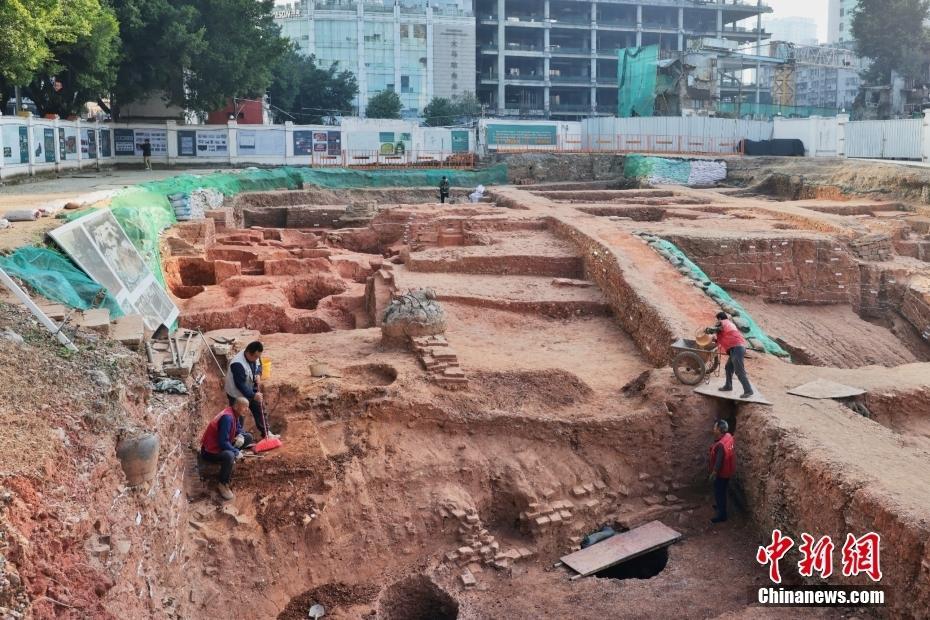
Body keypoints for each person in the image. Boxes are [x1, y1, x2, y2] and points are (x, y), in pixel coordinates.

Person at [201, 398, 255, 500]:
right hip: (210, 451)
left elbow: (238, 428)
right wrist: (235, 451)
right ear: (235, 406)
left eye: (247, 407)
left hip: (221, 445)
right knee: (229, 456)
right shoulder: (227, 418)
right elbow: (222, 442)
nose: (247, 409)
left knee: (248, 437)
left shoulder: (235, 414)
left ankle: (233, 452)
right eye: (244, 407)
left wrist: (240, 435)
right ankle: (222, 483)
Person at [225, 341, 278, 439]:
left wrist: (258, 373)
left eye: (258, 356)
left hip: (249, 386)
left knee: (259, 408)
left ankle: (266, 434)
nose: (257, 359)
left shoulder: (255, 355)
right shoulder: (238, 364)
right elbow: (240, 385)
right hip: (237, 394)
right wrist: (253, 395)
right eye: (255, 357)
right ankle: (237, 439)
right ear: (248, 352)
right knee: (239, 416)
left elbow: (259, 365)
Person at [705, 311, 753, 399]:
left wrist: (708, 330)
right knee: (728, 367)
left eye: (717, 320)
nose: (716, 322)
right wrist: (714, 339)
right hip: (736, 348)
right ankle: (728, 386)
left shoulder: (722, 323)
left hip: (737, 348)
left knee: (739, 371)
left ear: (719, 318)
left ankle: (748, 390)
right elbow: (724, 336)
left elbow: (716, 329)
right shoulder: (729, 324)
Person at [708, 419, 735, 523]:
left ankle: (722, 515)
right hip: (728, 470)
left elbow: (718, 461)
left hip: (721, 473)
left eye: (715, 427)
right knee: (722, 491)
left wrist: (713, 473)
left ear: (719, 430)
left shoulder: (720, 445)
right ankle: (720, 506)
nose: (713, 429)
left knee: (719, 492)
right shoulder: (728, 436)